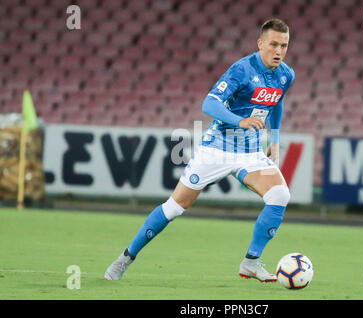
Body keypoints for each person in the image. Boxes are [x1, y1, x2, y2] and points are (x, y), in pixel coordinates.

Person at [104, 18, 295, 282]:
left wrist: (274, 140)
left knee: (280, 195)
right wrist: (240, 121)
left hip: (250, 152)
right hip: (217, 148)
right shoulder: (242, 70)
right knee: (175, 207)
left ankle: (251, 261)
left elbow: (277, 103)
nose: (279, 51)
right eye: (273, 44)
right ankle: (126, 257)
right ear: (260, 43)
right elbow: (209, 103)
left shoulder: (286, 74)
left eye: (284, 45)